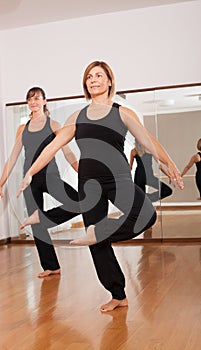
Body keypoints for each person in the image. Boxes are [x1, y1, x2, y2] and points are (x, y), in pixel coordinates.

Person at [16, 62, 184, 312]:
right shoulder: (77, 117)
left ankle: (100, 230)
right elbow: (52, 146)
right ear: (86, 84)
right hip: (88, 183)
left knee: (146, 215)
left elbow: (148, 142)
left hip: (118, 179)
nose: (93, 80)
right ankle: (118, 294)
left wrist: (168, 161)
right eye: (89, 77)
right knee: (97, 244)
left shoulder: (123, 113)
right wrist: (30, 171)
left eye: (98, 76)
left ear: (109, 82)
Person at [0, 87, 81, 278]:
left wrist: (81, 171)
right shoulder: (22, 129)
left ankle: (42, 217)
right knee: (36, 227)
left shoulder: (54, 124)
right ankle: (51, 266)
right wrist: (0, 184)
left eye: (36, 98)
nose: (33, 102)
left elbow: (68, 153)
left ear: (44, 101)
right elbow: (13, 158)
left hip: (51, 177)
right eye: (30, 99)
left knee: (78, 202)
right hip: (30, 180)